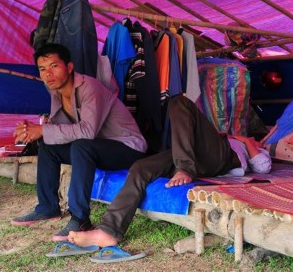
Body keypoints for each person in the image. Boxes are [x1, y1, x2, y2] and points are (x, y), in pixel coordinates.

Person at [68, 95, 271, 248]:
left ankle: (184, 168)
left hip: (221, 158)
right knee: (141, 168)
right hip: (193, 154)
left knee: (179, 102)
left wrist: (246, 140)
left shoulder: (248, 146)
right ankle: (109, 230)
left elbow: (263, 167)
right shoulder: (217, 138)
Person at [11, 43, 147, 241]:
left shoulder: (89, 87)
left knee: (81, 145)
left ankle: (80, 219)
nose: (48, 73)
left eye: (54, 66)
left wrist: (43, 130)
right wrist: (32, 130)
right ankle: (48, 207)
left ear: (69, 67)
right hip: (98, 147)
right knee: (49, 146)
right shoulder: (56, 93)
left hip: (127, 147)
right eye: (42, 69)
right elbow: (59, 128)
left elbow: (87, 131)